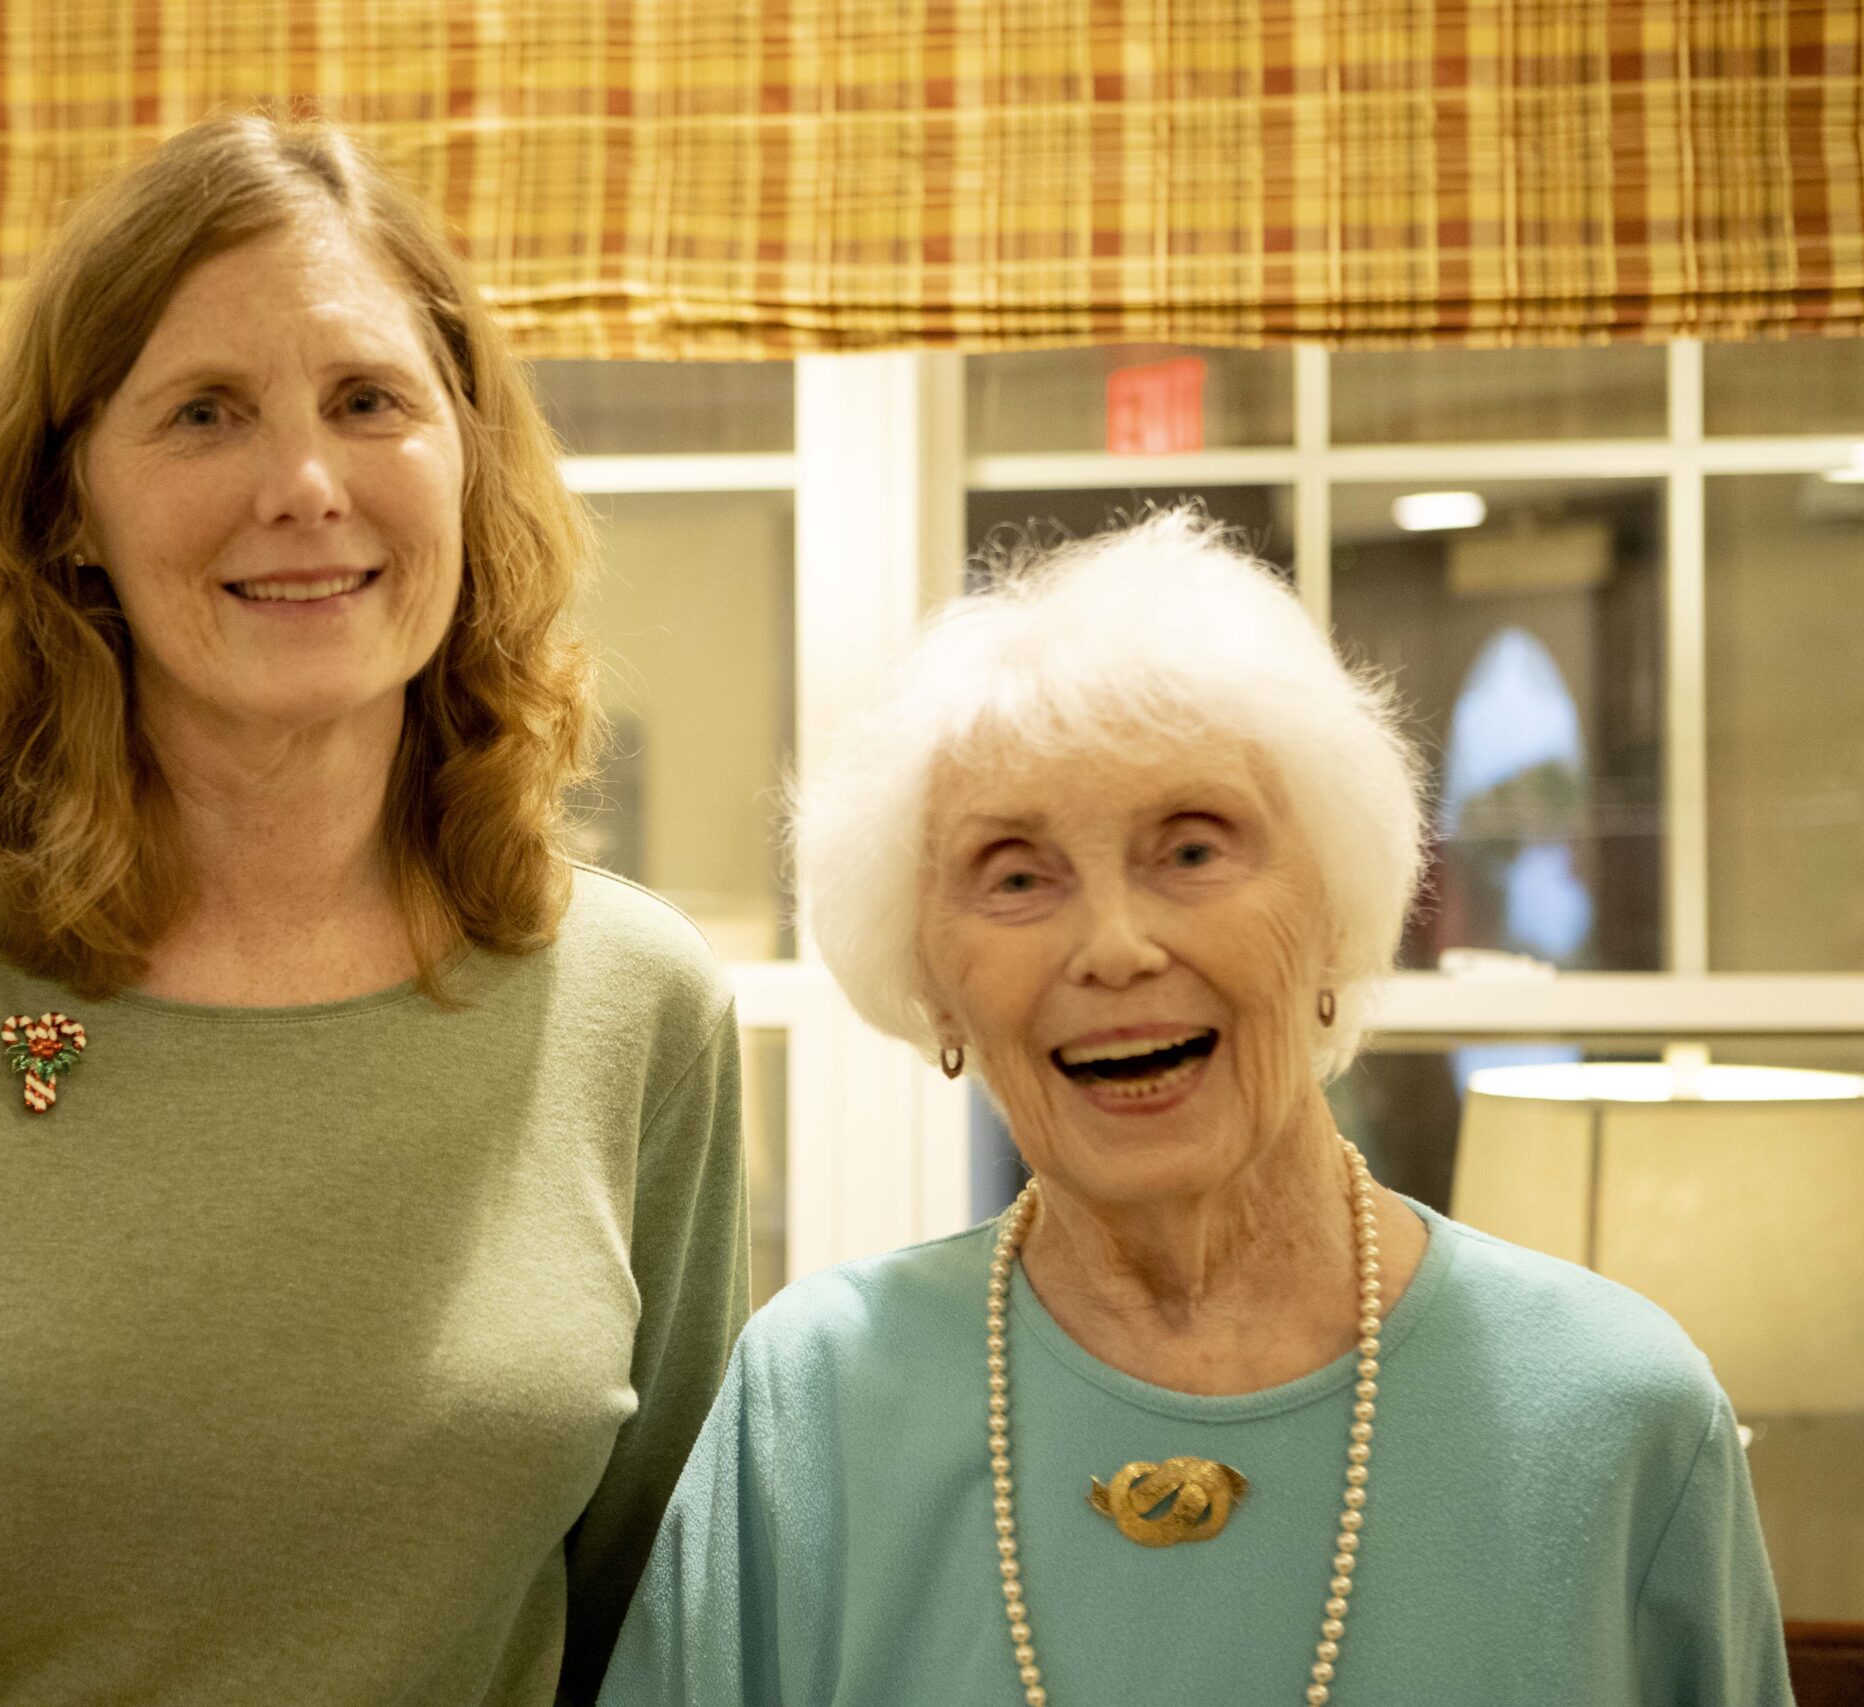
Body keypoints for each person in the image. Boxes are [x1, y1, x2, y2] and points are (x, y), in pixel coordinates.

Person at [0, 114, 747, 1706]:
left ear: (465, 452)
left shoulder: (638, 1007)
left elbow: (648, 1648)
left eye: (369, 401)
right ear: (69, 508)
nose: (306, 485)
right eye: (203, 412)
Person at [599, 511, 1791, 1706]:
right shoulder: (815, 1404)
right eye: (1016, 876)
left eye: (1191, 851)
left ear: (1335, 909)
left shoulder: (1616, 1414)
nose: (1113, 948)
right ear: (933, 984)